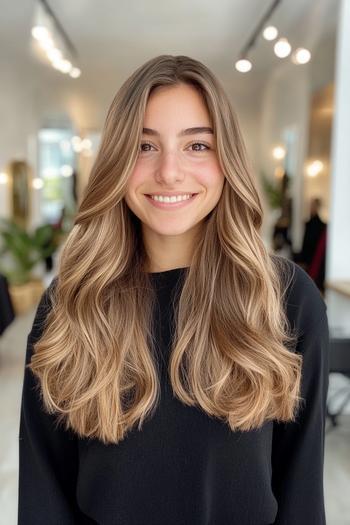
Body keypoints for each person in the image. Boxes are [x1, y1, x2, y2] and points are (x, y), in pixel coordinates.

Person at [18, 55, 329, 525]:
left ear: (227, 161)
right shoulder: (71, 304)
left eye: (197, 145)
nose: (168, 171)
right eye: (144, 146)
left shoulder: (286, 300)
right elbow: (43, 495)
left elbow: (302, 496)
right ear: (117, 161)